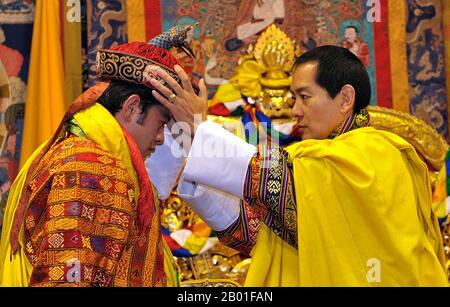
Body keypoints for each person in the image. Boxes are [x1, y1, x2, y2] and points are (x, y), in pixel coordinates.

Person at [151, 45, 448, 286]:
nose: (294, 110)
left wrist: (198, 128)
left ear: (345, 98)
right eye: (295, 98)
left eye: (304, 97)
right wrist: (192, 140)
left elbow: (279, 180)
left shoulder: (377, 152)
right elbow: (266, 233)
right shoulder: (322, 159)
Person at [0, 25, 207, 287]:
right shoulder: (91, 168)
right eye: (161, 123)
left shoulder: (80, 149)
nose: (161, 138)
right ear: (132, 107)